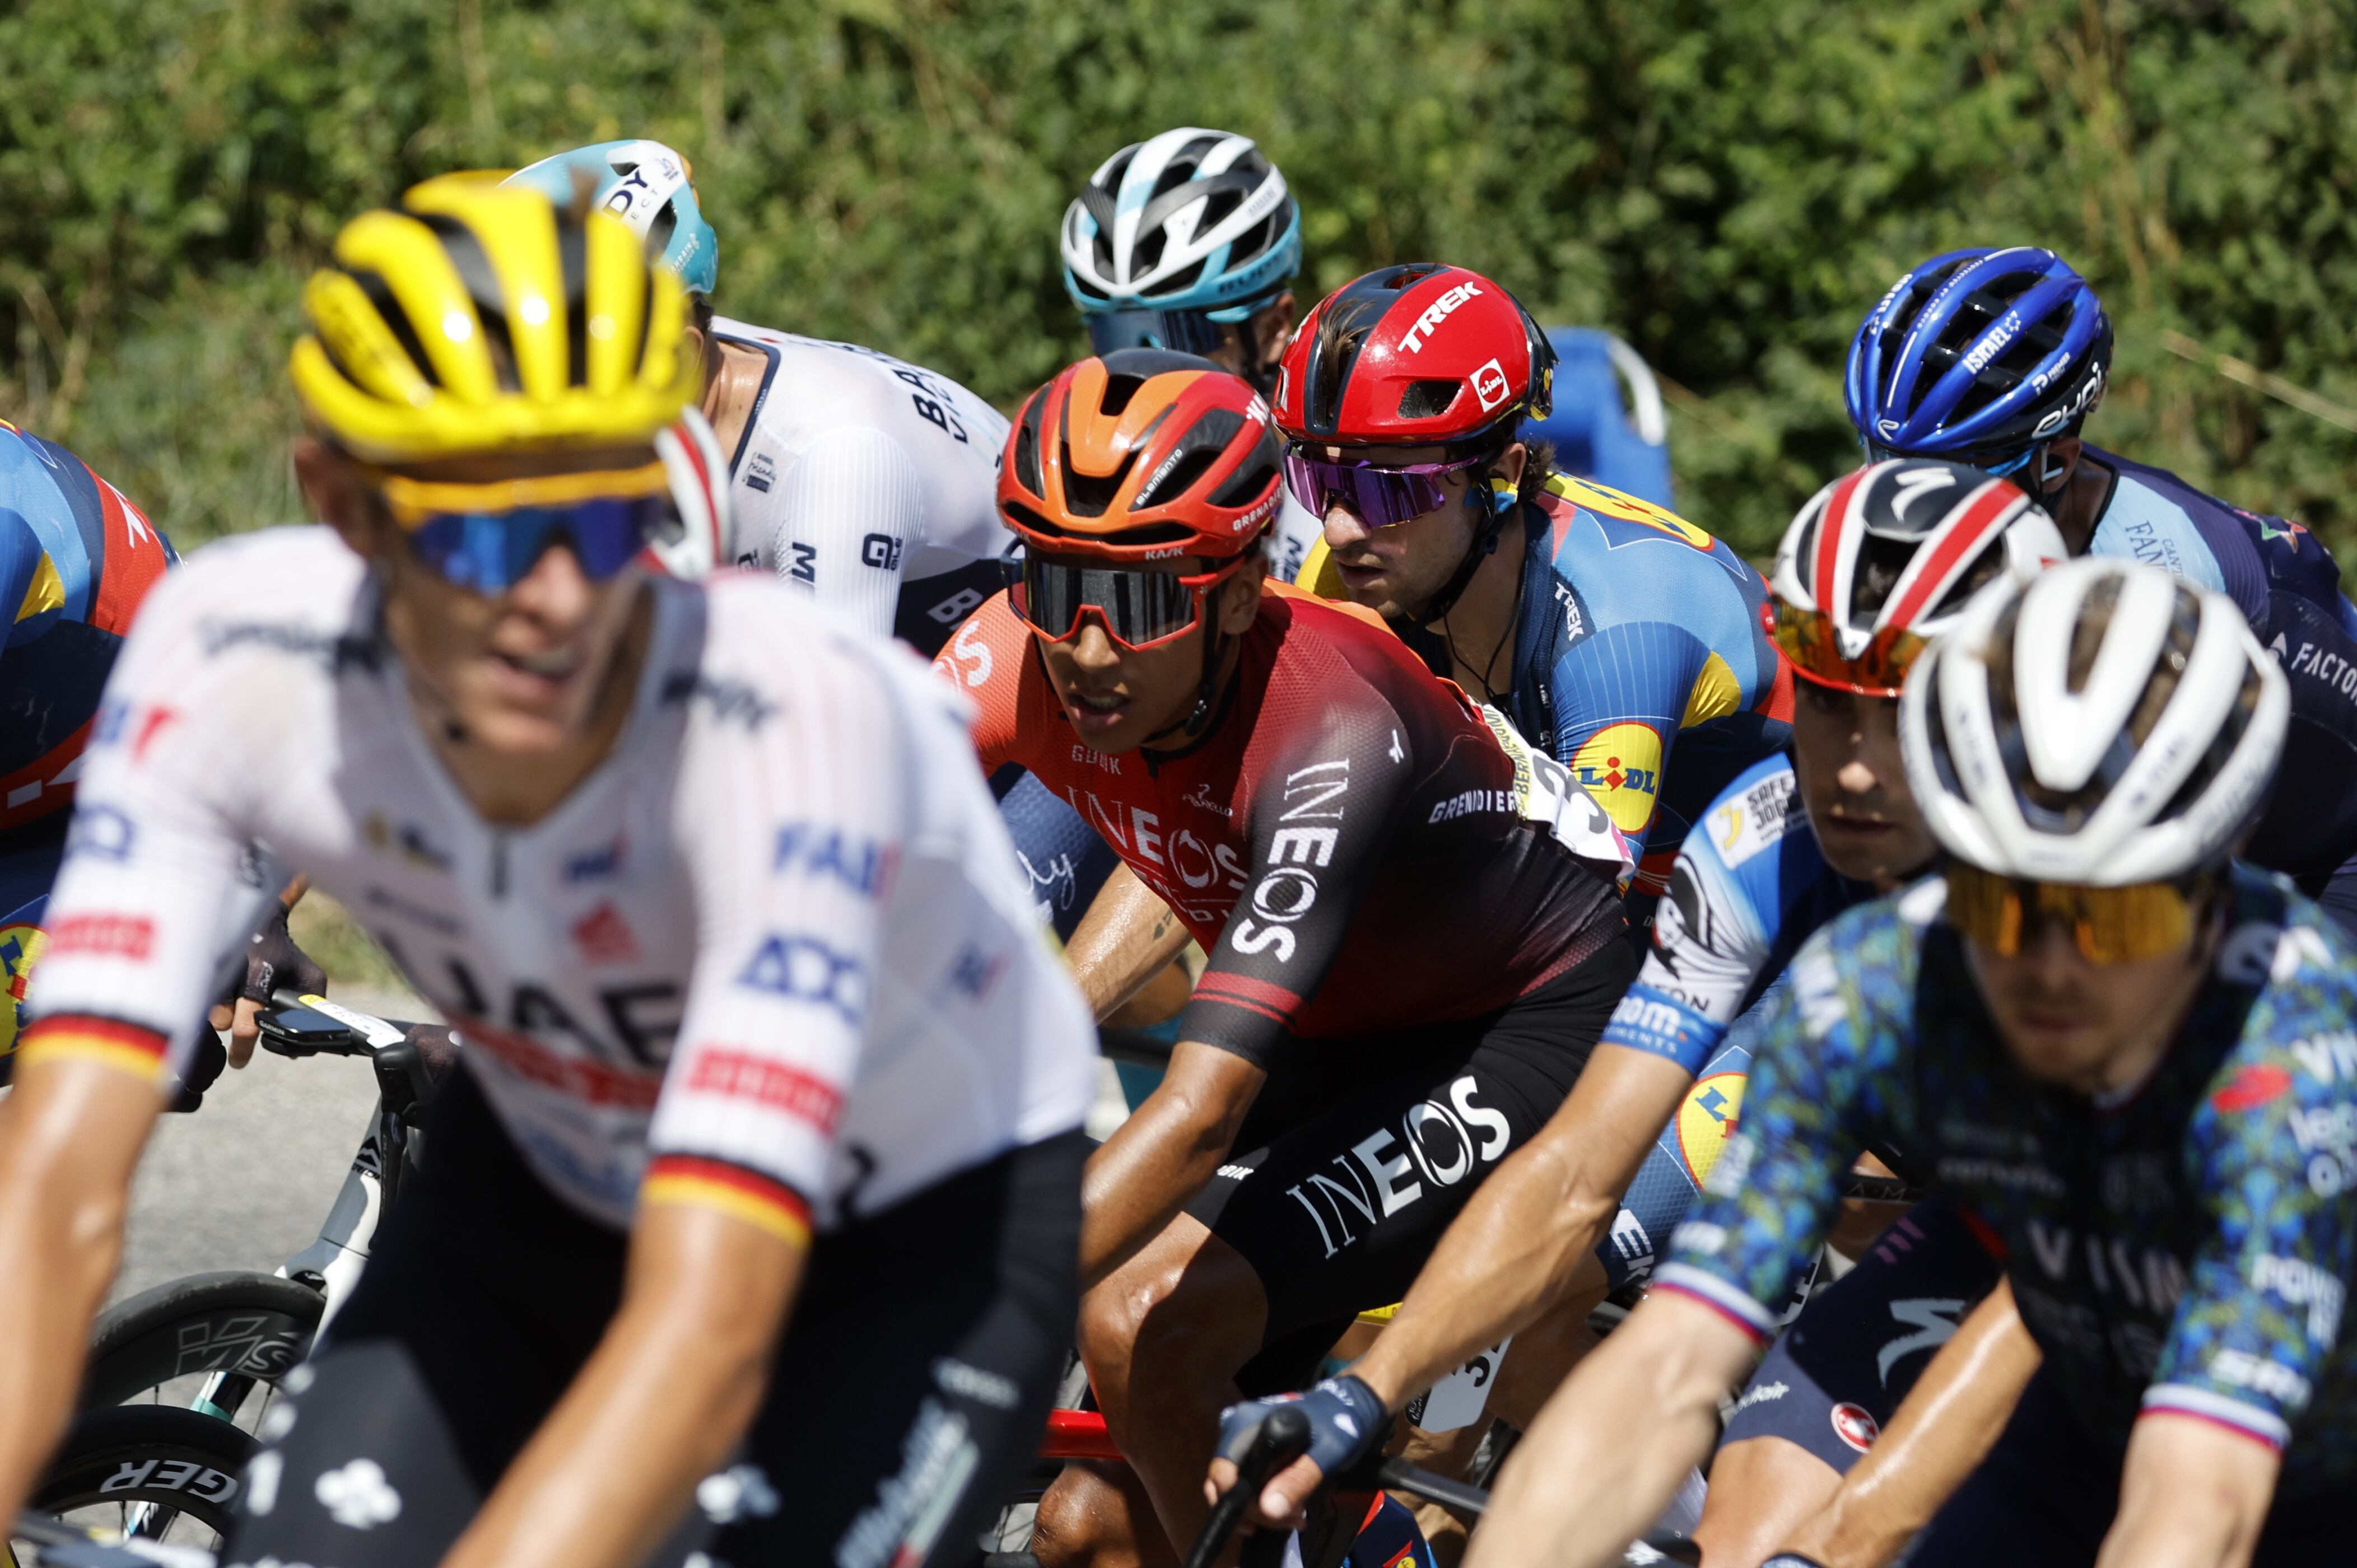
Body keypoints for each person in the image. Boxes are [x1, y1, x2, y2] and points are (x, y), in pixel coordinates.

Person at [0, 178, 1098, 1568]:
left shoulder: (793, 737)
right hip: (554, 1154)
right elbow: (63, 1174)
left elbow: (708, 1314)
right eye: (481, 535)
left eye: (612, 523)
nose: (554, 603)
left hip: (922, 1227)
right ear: (340, 505)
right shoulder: (232, 656)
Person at [1205, 459, 2066, 1542]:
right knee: (1723, 1507)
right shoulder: (1762, 843)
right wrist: (1368, 1393)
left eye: (1899, 715)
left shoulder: (2094, 907)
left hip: (2161, 1267)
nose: (1846, 767)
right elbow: (1577, 1175)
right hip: (1970, 1228)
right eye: (1825, 700)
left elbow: (2085, 1282)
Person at [1470, 556, 2357, 1568]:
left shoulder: (2296, 1056)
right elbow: (1668, 1361)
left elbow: (2196, 1507)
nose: (2048, 968)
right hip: (2066, 1362)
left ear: (2216, 885)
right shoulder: (1873, 974)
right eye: (2003, 892)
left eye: (2115, 917)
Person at [933, 347, 1643, 1568]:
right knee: (1085, 1531)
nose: (1087, 647)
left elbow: (1201, 1112)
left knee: (1141, 1320)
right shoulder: (1020, 650)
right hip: (1341, 1020)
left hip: (1521, 1021)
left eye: (1139, 601)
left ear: (1237, 593)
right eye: (1057, 583)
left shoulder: (1329, 728)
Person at [508, 141, 1117, 940]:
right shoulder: (671, 371)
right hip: (922, 682)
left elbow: (824, 778)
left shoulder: (833, 464)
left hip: (1065, 702)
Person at [1849, 244, 2357, 927]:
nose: (1902, 503)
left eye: (1946, 479)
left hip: (2321, 852)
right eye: (1883, 462)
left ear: (2055, 464)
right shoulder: (2011, 510)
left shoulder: (2157, 577)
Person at [1282, 263, 1791, 918]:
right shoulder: (1348, 571)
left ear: (1499, 474)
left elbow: (1574, 915)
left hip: (1807, 913)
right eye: (1318, 483)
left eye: (1385, 490)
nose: (1337, 528)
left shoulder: (1621, 627)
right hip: (1663, 913)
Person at [1060, 125, 1325, 584]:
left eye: (1182, 334)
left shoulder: (1332, 516)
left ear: (1274, 329)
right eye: (1115, 336)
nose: (1144, 368)